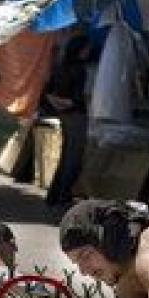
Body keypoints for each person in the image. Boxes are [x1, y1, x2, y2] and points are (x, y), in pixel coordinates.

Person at [41, 33, 91, 213]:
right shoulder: (79, 70)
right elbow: (77, 99)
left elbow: (47, 92)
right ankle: (62, 196)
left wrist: (58, 103)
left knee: (65, 157)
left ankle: (54, 196)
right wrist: (67, 103)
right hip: (76, 115)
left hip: (64, 115)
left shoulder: (60, 66)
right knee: (73, 159)